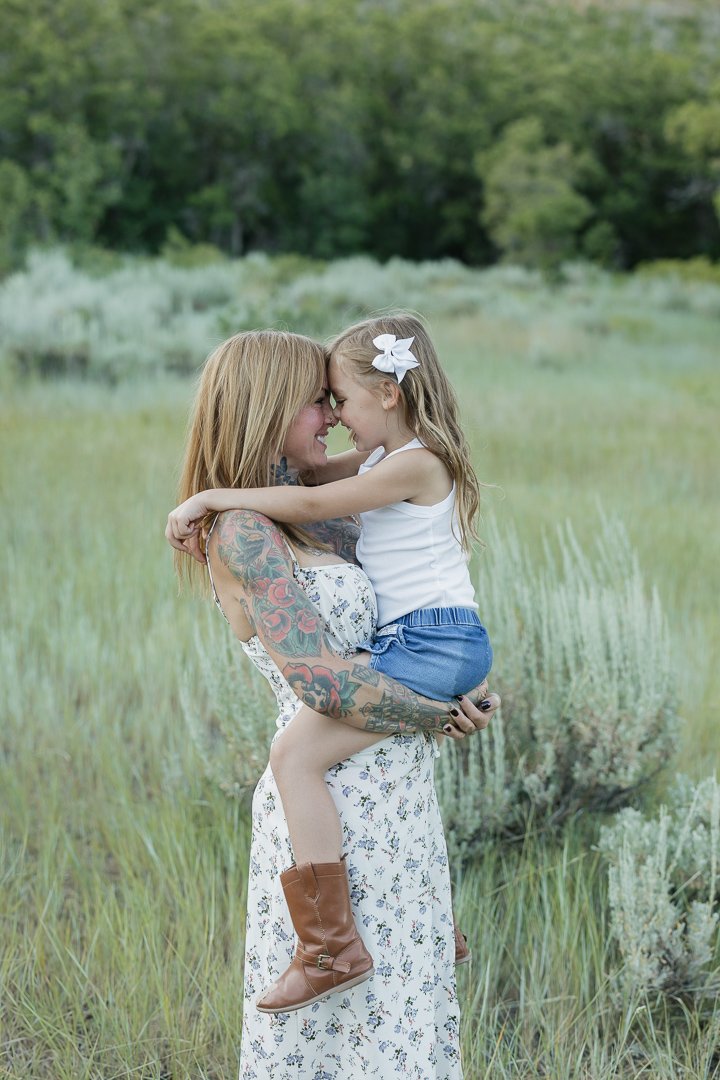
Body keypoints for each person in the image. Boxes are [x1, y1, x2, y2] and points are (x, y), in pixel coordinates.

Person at [170, 327, 499, 1078]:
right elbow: (323, 682)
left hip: (398, 801)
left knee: (403, 1032)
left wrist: (457, 691)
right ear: (266, 408)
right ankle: (324, 943)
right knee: (339, 1048)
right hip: (330, 816)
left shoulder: (338, 510)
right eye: (318, 402)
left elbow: (408, 622)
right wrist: (436, 711)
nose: (333, 417)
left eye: (336, 398)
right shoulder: (246, 532)